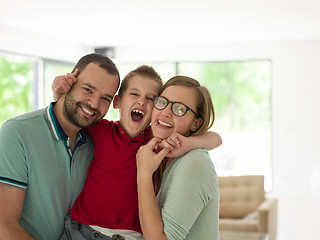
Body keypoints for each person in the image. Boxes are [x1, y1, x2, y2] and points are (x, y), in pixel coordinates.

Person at [53, 66, 222, 240]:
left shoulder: (155, 140)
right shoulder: (103, 129)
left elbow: (216, 138)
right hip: (80, 228)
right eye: (134, 94)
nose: (141, 102)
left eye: (151, 98)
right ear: (117, 102)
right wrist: (59, 92)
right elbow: (73, 114)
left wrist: (190, 143)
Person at [0, 53, 120, 239]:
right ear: (69, 81)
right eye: (88, 90)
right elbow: (4, 226)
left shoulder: (98, 143)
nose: (94, 104)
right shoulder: (17, 132)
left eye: (105, 98)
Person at [136, 76, 220, 240]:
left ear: (196, 123)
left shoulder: (194, 162)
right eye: (162, 102)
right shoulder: (161, 152)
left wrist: (144, 174)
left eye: (180, 109)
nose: (165, 112)